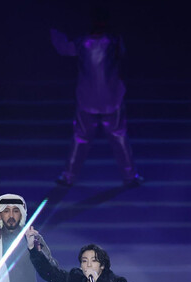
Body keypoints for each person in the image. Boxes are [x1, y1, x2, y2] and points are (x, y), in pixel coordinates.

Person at [50, 7, 143, 187]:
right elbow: (123, 56)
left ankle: (68, 176)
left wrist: (53, 30)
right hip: (111, 98)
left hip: (88, 98)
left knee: (80, 138)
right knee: (119, 136)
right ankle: (130, 176)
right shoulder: (115, 41)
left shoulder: (81, 42)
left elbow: (63, 48)